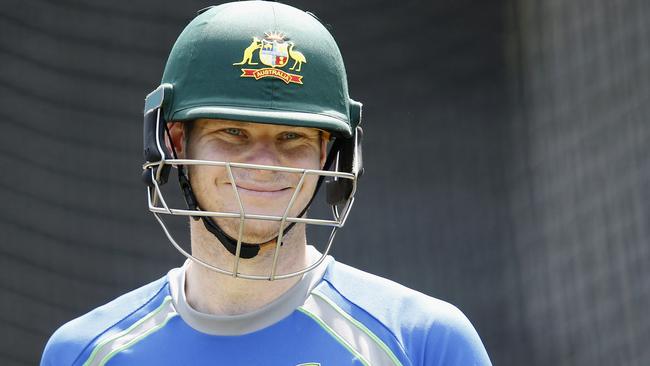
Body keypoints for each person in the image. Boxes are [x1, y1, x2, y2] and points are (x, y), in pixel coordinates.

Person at [41, 1, 491, 365]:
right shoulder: (84, 353)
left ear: (331, 154)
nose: (264, 164)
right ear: (175, 143)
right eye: (232, 134)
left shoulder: (423, 342)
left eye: (292, 137)